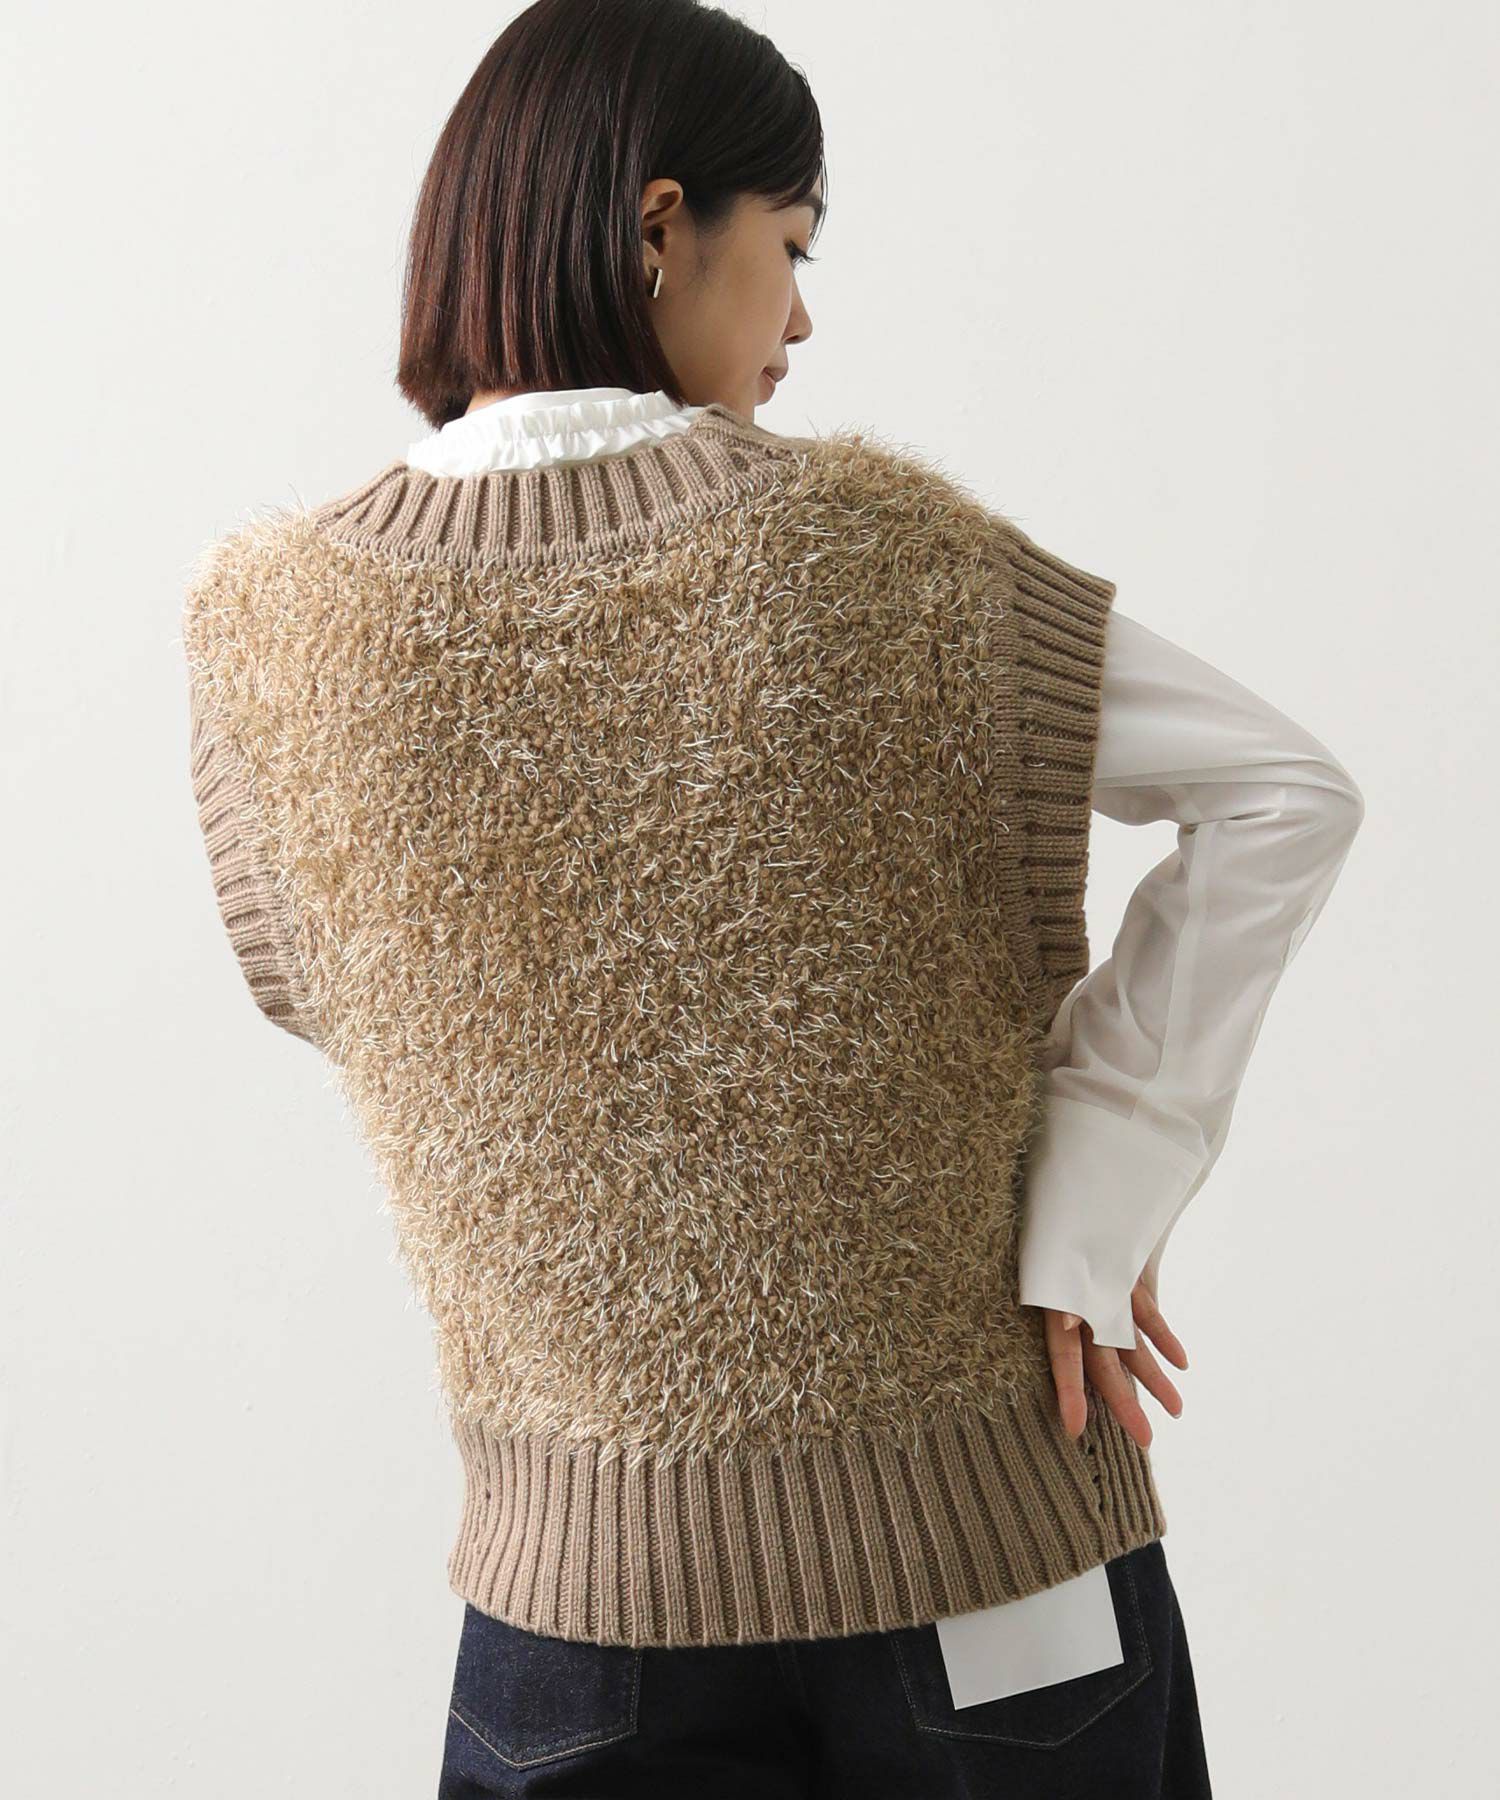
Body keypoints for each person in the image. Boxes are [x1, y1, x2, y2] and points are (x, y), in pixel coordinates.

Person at [179, 4, 1363, 1795]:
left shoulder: (271, 640)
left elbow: (331, 997)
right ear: (662, 226)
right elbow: (1283, 792)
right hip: (990, 1553)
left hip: (578, 1618)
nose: (800, 320)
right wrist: (1100, 1193)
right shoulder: (893, 562)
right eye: (792, 249)